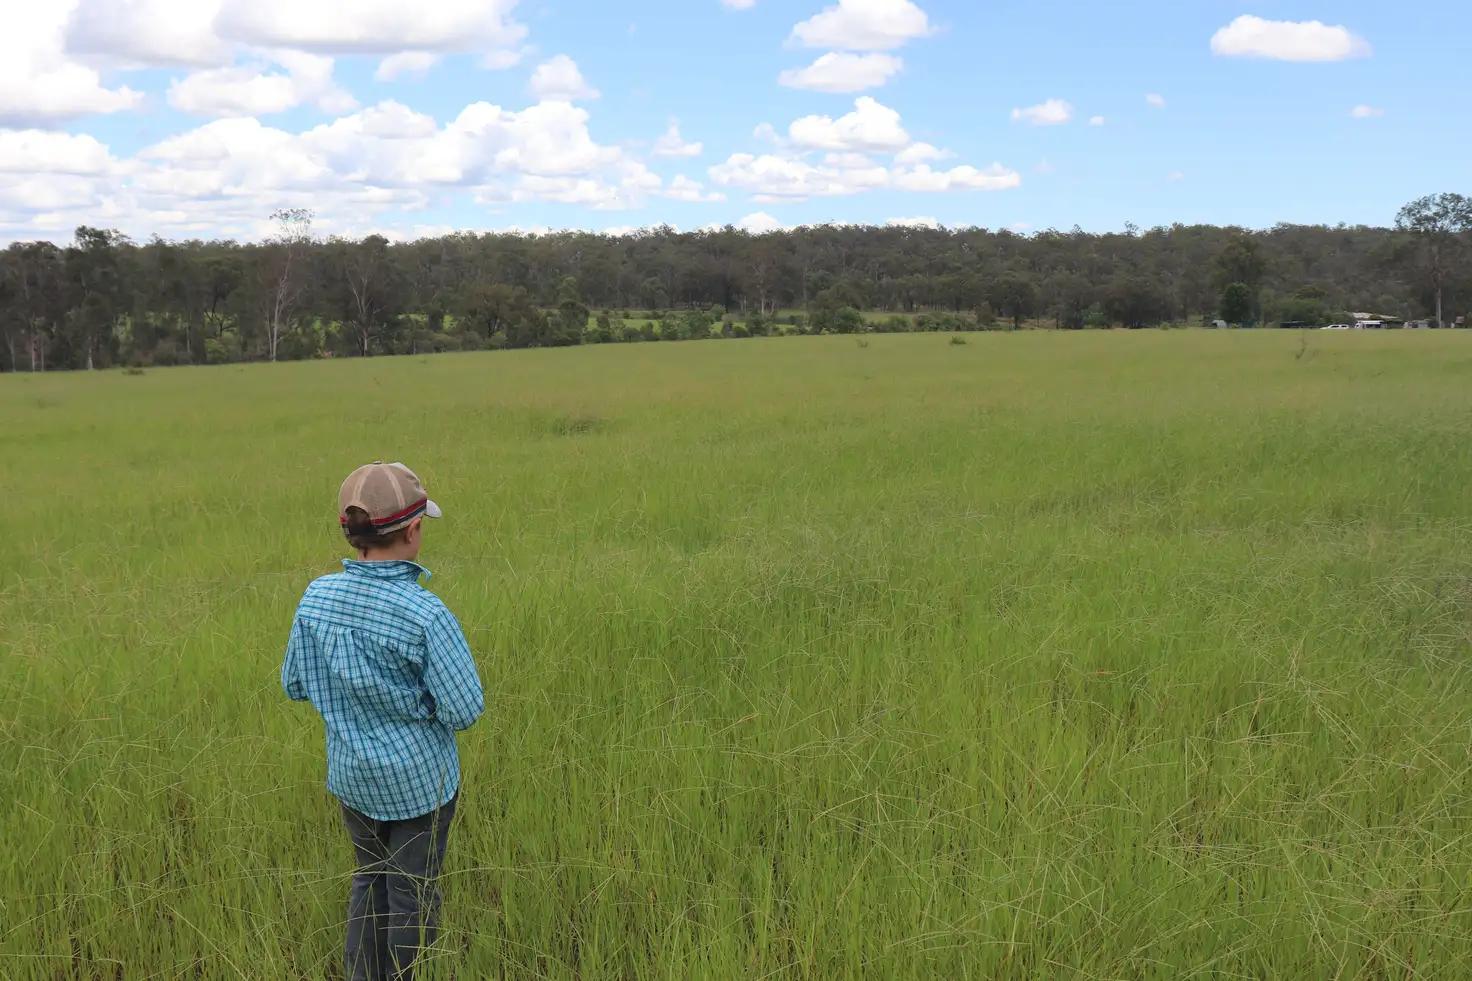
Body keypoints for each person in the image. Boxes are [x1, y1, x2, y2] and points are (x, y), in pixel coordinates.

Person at [281, 462, 485, 981]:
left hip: (351, 777)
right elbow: (465, 710)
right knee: (412, 891)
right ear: (413, 530)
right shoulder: (426, 614)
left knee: (368, 878)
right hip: (421, 783)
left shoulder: (316, 598)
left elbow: (296, 684)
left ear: (350, 531)